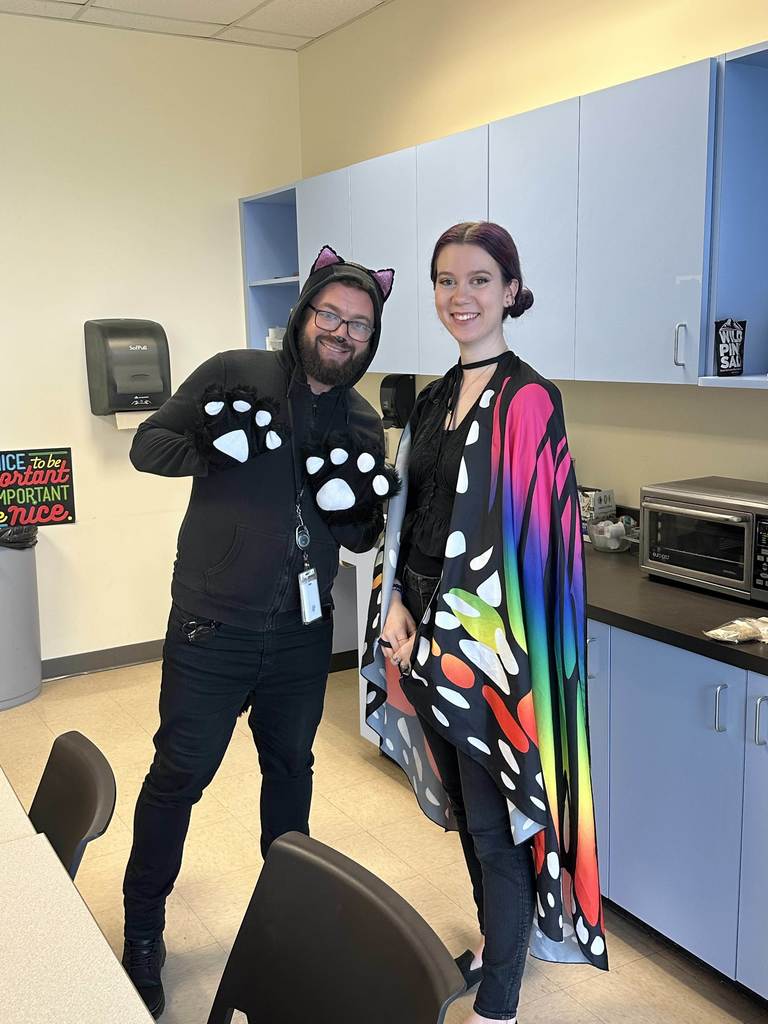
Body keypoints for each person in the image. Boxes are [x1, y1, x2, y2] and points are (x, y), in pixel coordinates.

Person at [122, 245, 397, 1019]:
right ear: (304, 313)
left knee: (292, 775)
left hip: (304, 641)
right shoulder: (232, 373)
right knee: (179, 777)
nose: (342, 334)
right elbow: (149, 446)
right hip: (213, 627)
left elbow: (359, 534)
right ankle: (144, 931)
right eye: (331, 316)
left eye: (360, 327)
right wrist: (215, 448)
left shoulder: (359, 418)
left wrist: (351, 501)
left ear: (371, 341)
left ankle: (288, 929)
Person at [361, 222, 607, 1024]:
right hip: (422, 635)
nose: (458, 297)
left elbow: (543, 544)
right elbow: (409, 517)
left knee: (497, 818)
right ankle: (498, 947)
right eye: (444, 281)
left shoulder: (531, 398)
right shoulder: (432, 398)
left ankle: (500, 989)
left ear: (510, 290)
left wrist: (456, 630)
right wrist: (394, 603)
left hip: (489, 649)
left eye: (477, 280)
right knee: (469, 813)